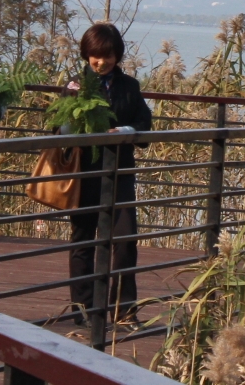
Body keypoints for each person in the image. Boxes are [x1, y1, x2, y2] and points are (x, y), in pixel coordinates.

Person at [68, 21, 153, 326]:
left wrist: (128, 131)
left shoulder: (130, 86)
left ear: (117, 55)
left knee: (126, 239)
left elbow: (146, 123)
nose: (101, 62)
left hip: (120, 173)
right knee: (82, 241)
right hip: (86, 173)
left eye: (107, 55)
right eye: (95, 55)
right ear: (86, 54)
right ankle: (84, 309)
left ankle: (124, 309)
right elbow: (60, 127)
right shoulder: (76, 85)